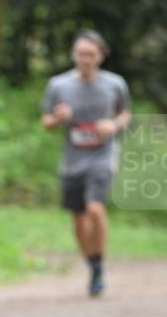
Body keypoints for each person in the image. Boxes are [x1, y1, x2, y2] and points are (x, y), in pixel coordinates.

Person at [41, 30, 131, 295]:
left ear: (101, 56)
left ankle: (100, 262)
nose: (85, 59)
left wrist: (112, 125)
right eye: (81, 54)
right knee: (79, 219)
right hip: (73, 160)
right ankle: (93, 265)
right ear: (73, 55)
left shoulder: (115, 84)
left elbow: (125, 113)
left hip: (103, 156)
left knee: (95, 209)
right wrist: (58, 118)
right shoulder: (58, 85)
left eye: (91, 54)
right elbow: (46, 123)